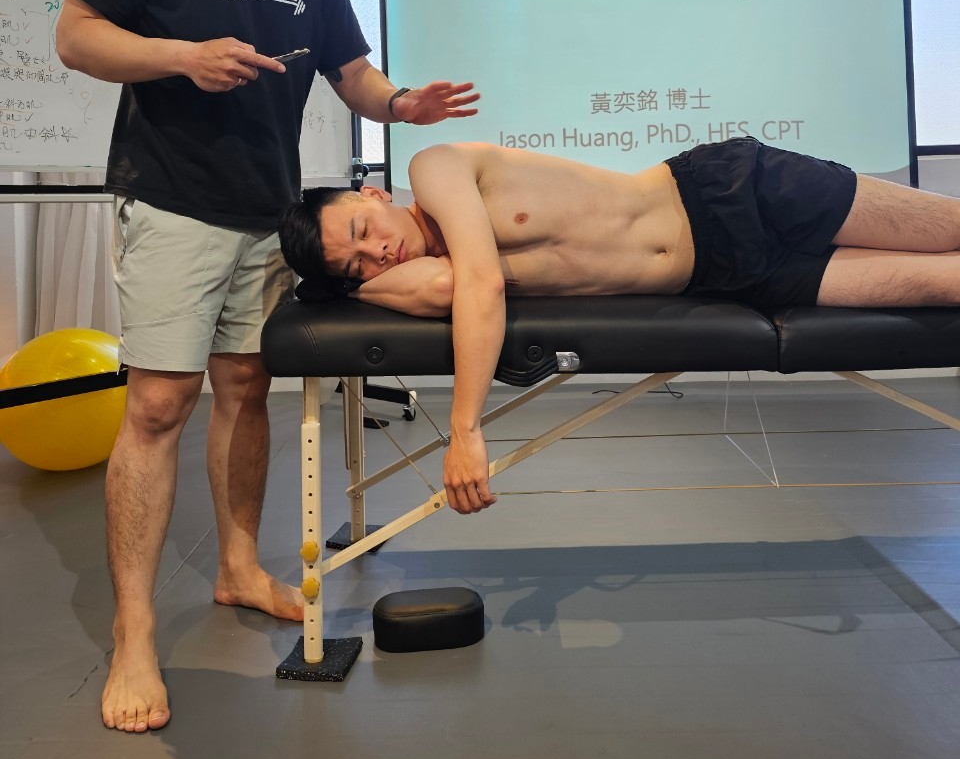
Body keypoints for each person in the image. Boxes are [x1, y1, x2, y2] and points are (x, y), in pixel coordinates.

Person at [55, 0, 478, 735]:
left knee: (246, 388)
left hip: (268, 213)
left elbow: (354, 75)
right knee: (159, 404)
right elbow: (76, 36)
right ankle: (132, 631)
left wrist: (402, 104)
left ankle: (240, 566)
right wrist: (179, 57)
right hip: (171, 202)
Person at [279, 137, 960, 519]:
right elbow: (440, 286)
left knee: (952, 229)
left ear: (374, 193)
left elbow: (481, 282)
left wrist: (465, 432)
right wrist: (365, 281)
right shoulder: (427, 272)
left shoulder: (435, 167)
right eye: (358, 266)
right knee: (946, 282)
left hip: (736, 192)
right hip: (733, 274)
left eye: (364, 229)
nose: (379, 252)